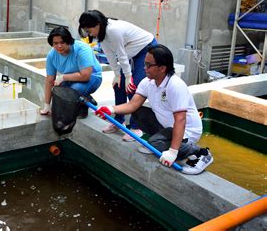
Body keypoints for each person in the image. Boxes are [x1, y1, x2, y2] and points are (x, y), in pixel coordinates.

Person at [95, 44, 213, 175]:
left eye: (149, 65)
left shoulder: (175, 85)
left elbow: (180, 120)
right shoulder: (147, 82)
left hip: (187, 130)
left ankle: (200, 153)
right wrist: (110, 109)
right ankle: (164, 143)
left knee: (155, 144)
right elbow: (133, 104)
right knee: (138, 112)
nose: (144, 68)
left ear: (162, 68)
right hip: (167, 126)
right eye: (145, 64)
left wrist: (172, 152)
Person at [78, 10, 157, 141]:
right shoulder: (102, 33)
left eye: (89, 29)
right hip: (130, 50)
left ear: (97, 24)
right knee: (118, 85)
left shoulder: (113, 30)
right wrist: (117, 75)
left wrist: (127, 76)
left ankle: (136, 127)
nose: (88, 33)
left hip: (145, 48)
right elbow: (110, 55)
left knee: (133, 87)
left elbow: (121, 55)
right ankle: (119, 121)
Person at [40, 27, 102, 117]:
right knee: (58, 91)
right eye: (55, 43)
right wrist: (47, 106)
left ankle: (83, 105)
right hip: (72, 78)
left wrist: (63, 77)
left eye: (62, 42)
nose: (59, 46)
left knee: (75, 89)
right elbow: (49, 80)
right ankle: (85, 97)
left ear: (69, 41)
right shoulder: (52, 55)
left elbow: (85, 76)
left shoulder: (82, 49)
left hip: (92, 77)